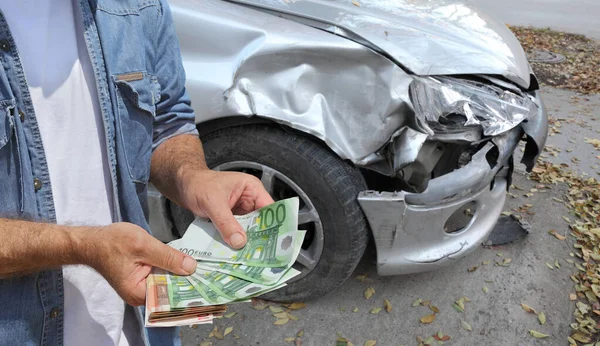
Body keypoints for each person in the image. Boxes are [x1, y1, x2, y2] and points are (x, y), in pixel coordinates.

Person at [0, 0, 273, 345]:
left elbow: (166, 120)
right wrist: (83, 246)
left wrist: (193, 177)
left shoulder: (139, 7)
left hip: (139, 330)